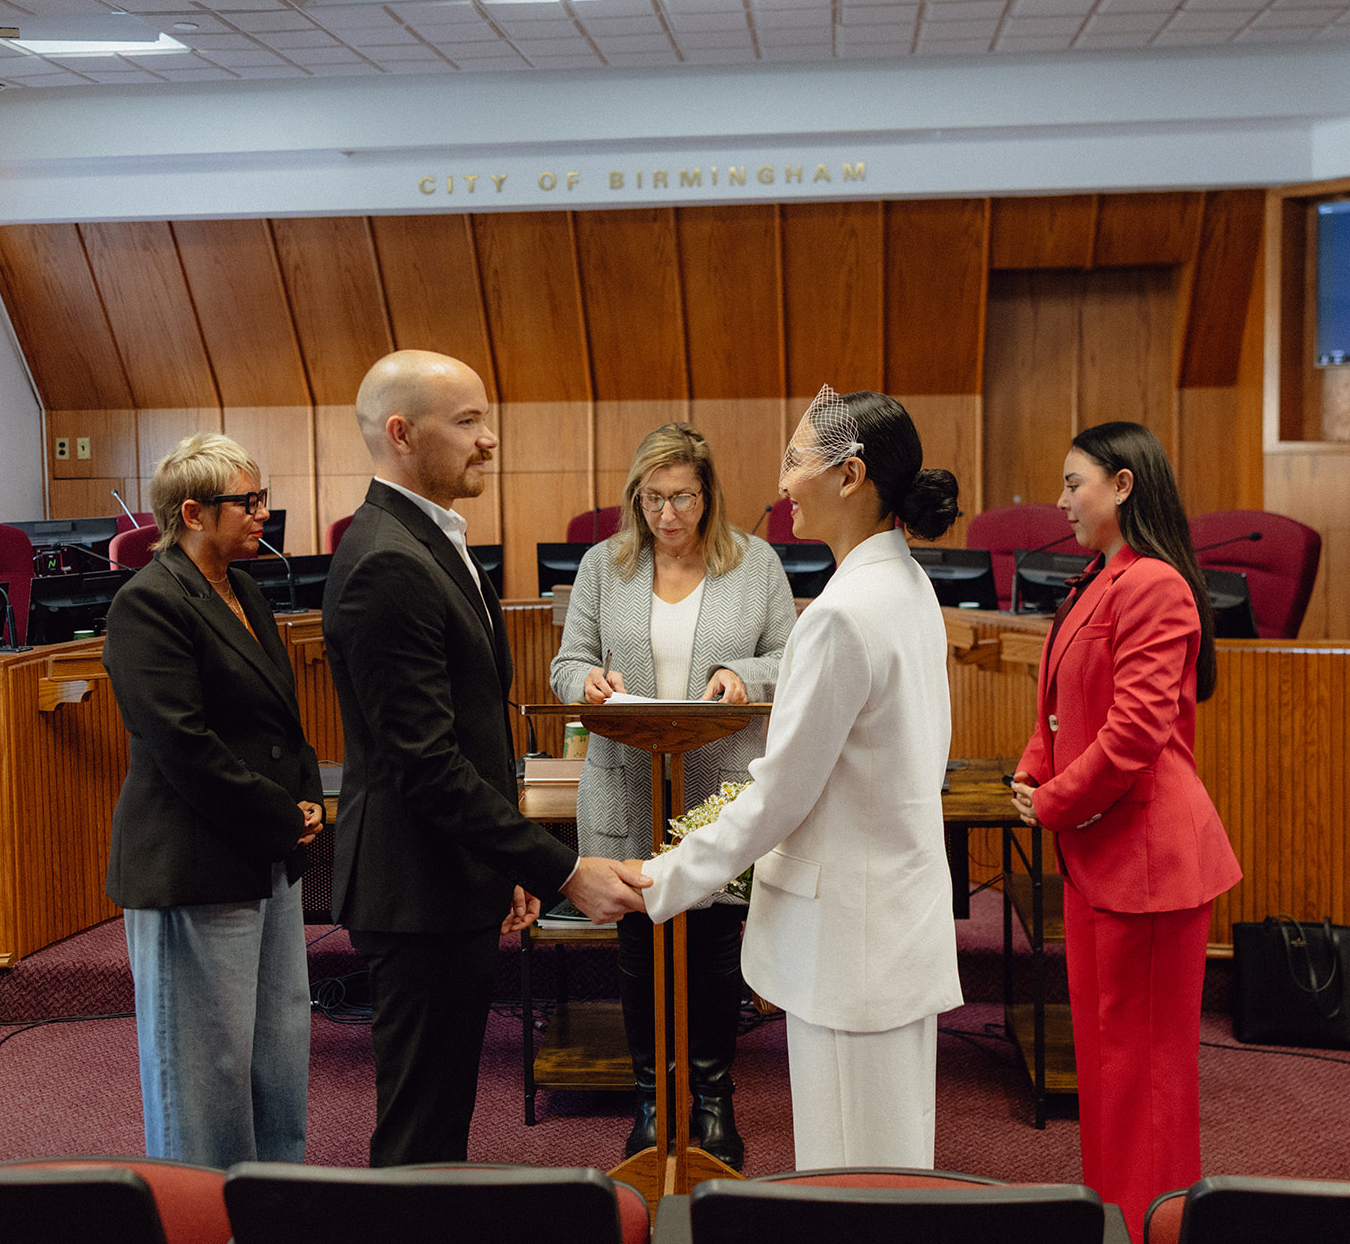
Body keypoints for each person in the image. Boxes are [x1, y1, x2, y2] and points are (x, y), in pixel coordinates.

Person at [322, 348, 651, 1167]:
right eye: (467, 421)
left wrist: (498, 862)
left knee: (441, 1125)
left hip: (445, 876)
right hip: (414, 888)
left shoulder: (427, 538)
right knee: (420, 1133)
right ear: (401, 433)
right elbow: (426, 765)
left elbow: (470, 734)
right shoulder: (389, 561)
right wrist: (561, 870)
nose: (490, 439)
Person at [633, 387, 964, 1169]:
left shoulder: (842, 614)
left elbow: (782, 794)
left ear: (850, 477)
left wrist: (661, 878)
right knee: (894, 1161)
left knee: (851, 1179)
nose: (782, 482)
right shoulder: (909, 584)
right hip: (894, 921)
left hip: (850, 940)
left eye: (795, 459)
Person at [1008, 420, 1243, 1239]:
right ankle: (1116, 1219)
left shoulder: (1156, 586)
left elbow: (1136, 735)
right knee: (1108, 1067)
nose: (1063, 499)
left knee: (1146, 1075)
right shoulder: (1096, 580)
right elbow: (1060, 705)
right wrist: (1032, 768)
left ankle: (1152, 1226)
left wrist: (1055, 800)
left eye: (1076, 482)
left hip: (1148, 856)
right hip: (1097, 854)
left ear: (1123, 485)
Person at [550, 422, 796, 1170]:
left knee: (717, 949)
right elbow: (568, 663)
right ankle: (653, 1101)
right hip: (626, 784)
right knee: (640, 946)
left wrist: (743, 675)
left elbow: (792, 655)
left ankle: (714, 1099)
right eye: (652, 499)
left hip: (718, 785)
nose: (667, 515)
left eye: (681, 497)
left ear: (708, 493)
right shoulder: (605, 565)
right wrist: (585, 684)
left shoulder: (755, 565)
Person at [103, 433, 324, 1168]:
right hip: (194, 860)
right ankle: (201, 1213)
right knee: (203, 1070)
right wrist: (279, 815)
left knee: (276, 1048)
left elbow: (279, 716)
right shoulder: (149, 603)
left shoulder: (247, 588)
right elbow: (181, 743)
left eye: (263, 498)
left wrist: (306, 793)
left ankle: (273, 1200)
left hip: (264, 851)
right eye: (248, 502)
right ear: (193, 513)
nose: (264, 513)